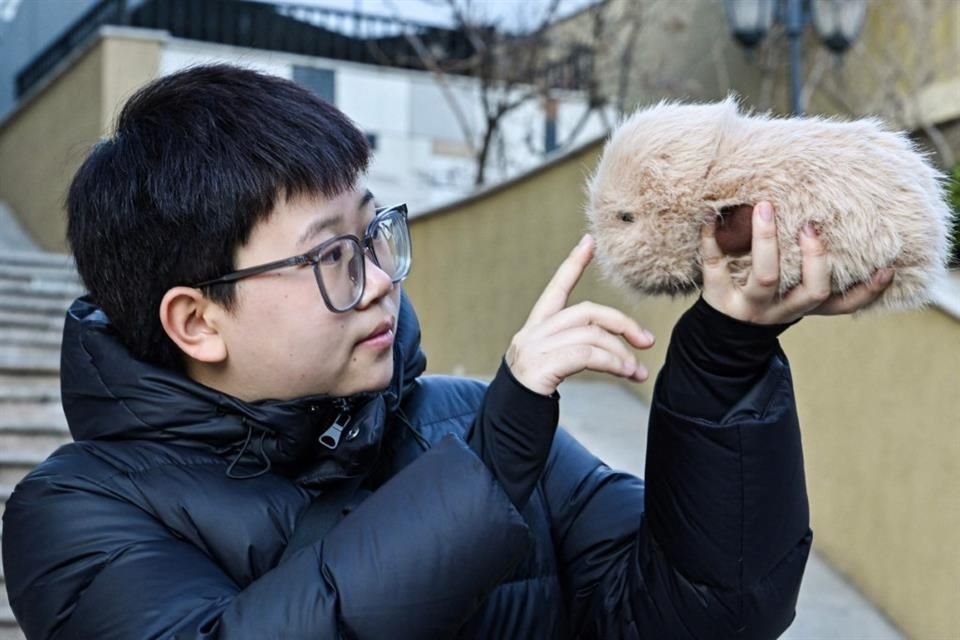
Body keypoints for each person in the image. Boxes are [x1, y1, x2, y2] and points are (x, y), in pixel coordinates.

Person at [1, 65, 894, 640]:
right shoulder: (73, 515)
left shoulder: (465, 421)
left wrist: (725, 357)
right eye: (332, 258)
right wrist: (482, 477)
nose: (383, 279)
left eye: (375, 232)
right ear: (197, 321)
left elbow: (707, 613)